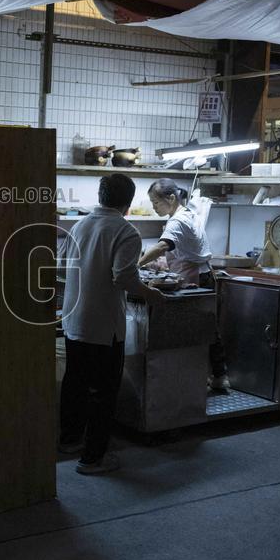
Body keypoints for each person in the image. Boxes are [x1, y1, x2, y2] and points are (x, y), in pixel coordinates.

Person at [59, 173, 164, 475]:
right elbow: (124, 278)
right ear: (128, 203)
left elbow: (63, 266)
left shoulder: (80, 225)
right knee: (103, 393)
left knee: (75, 384)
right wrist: (151, 293)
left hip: (74, 321)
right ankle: (93, 459)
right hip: (103, 327)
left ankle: (70, 441)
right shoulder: (126, 231)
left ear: (100, 196)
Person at [138, 178, 229, 390]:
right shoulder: (188, 214)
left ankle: (200, 379)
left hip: (194, 280)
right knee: (207, 328)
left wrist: (137, 264)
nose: (154, 207)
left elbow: (162, 247)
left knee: (193, 330)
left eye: (156, 202)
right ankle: (216, 375)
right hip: (203, 275)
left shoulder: (177, 221)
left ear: (171, 198)